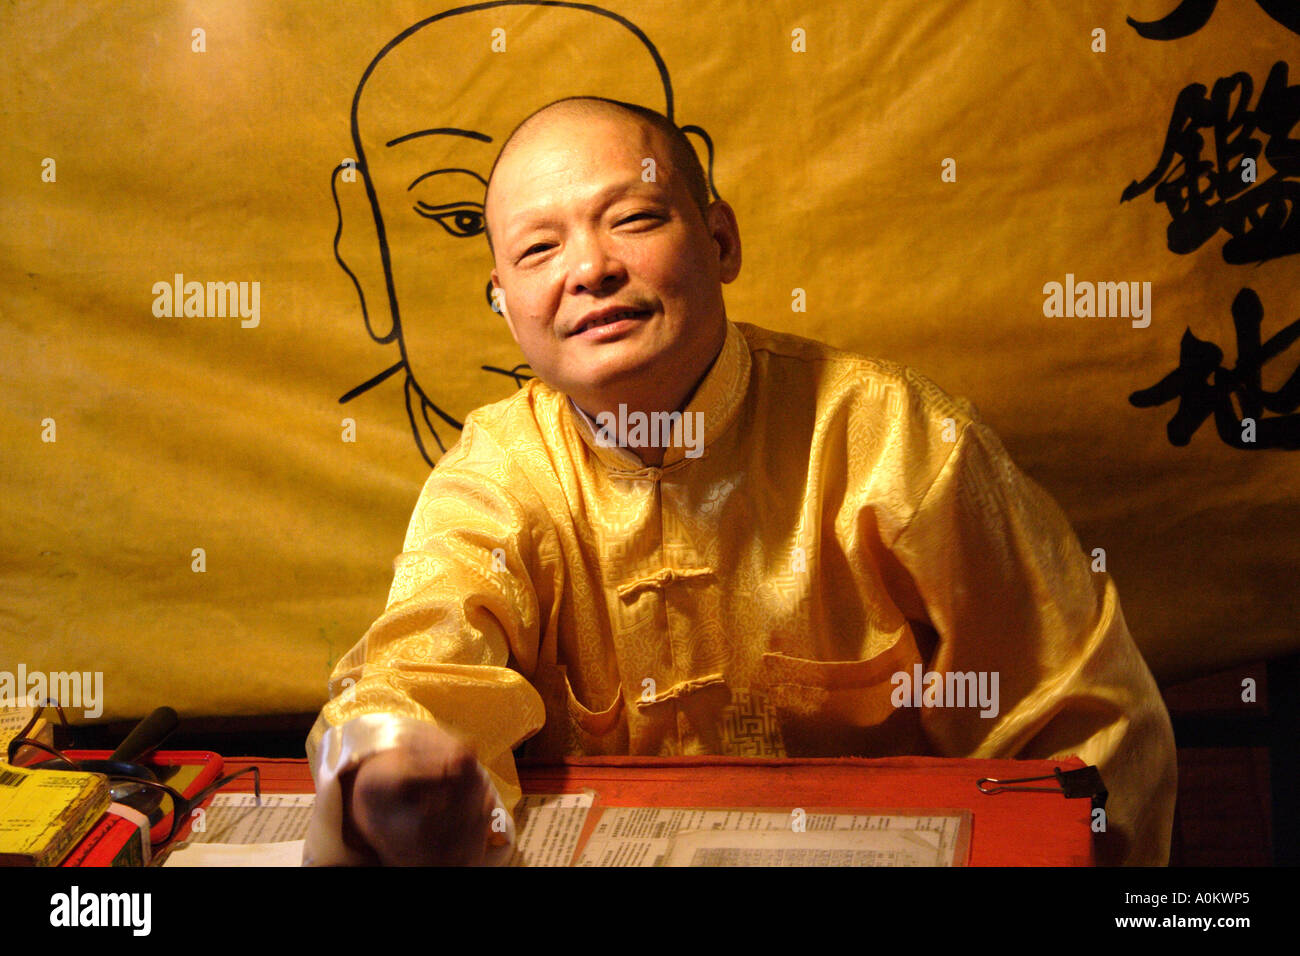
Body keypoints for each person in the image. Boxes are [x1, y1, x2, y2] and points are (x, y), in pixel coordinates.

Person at [304, 97, 1178, 867]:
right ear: (502, 299)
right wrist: (387, 763)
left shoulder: (893, 437)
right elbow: (416, 669)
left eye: (634, 221)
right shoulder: (499, 470)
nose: (589, 269)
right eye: (539, 248)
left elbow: (1084, 731)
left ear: (720, 240)